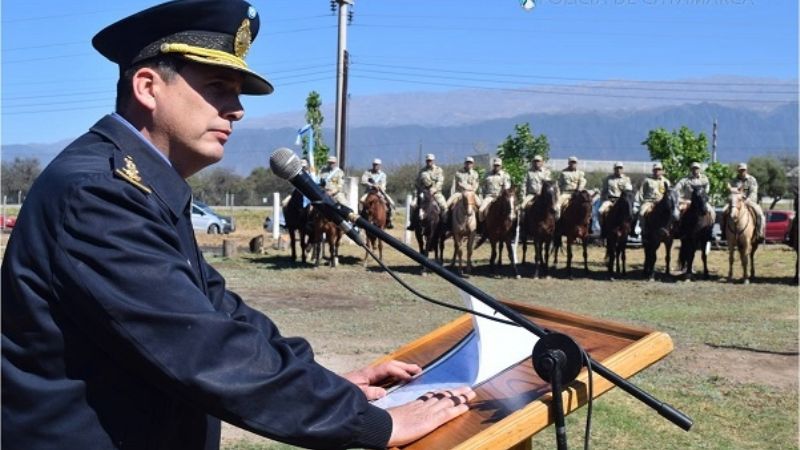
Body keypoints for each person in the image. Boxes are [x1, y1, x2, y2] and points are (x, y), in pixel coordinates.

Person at [0, 2, 475, 449]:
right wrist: (377, 424)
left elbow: (223, 314)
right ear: (147, 87)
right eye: (217, 88)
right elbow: (204, 351)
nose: (238, 110)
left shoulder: (139, 183)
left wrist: (332, 386)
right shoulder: (100, 193)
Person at [726, 162, 765, 240]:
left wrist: (747, 200)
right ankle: (724, 232)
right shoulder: (734, 180)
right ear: (738, 171)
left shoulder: (751, 180)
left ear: (746, 170)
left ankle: (759, 233)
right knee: (724, 212)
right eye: (740, 170)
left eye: (743, 170)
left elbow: (753, 192)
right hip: (736, 202)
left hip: (749, 201)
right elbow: (731, 191)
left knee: (760, 214)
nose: (742, 172)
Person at [408, 153, 446, 230]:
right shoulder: (422, 171)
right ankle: (412, 223)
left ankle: (444, 225)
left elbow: (440, 181)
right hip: (423, 193)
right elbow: (417, 184)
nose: (429, 162)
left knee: (444, 206)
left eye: (431, 161)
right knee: (412, 205)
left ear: (433, 161)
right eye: (428, 161)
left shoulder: (439, 170)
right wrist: (417, 193)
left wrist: (434, 189)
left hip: (436, 193)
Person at [598, 162, 633, 235]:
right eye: (617, 168)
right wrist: (602, 199)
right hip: (610, 200)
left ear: (622, 169)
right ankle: (603, 229)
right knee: (600, 211)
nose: (618, 170)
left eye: (620, 168)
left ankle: (630, 230)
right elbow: (604, 191)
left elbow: (629, 190)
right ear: (614, 169)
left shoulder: (626, 179)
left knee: (632, 213)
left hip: (622, 201)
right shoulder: (608, 179)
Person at [637, 162, 672, 233]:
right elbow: (641, 193)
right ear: (653, 171)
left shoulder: (666, 181)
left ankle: (670, 230)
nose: (657, 171)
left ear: (662, 171)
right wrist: (643, 202)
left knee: (672, 213)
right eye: (655, 170)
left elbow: (670, 194)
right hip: (649, 201)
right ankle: (643, 230)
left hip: (662, 203)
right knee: (641, 213)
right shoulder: (647, 180)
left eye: (659, 170)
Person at [360, 158, 395, 228]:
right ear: (372, 165)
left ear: (380, 166)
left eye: (377, 165)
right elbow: (363, 181)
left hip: (379, 192)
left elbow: (383, 185)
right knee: (361, 201)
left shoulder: (383, 175)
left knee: (391, 204)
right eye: (374, 165)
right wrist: (372, 185)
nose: (376, 166)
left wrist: (379, 188)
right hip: (369, 192)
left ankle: (389, 220)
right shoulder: (367, 173)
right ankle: (360, 220)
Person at [478, 158, 513, 222]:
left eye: (498, 165)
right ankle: (482, 226)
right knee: (480, 210)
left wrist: (501, 194)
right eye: (495, 165)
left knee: (510, 211)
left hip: (500, 197)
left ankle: (513, 227)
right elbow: (482, 187)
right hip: (489, 196)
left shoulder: (505, 175)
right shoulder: (487, 174)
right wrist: (481, 197)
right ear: (493, 165)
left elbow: (507, 187)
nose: (496, 167)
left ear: (501, 166)